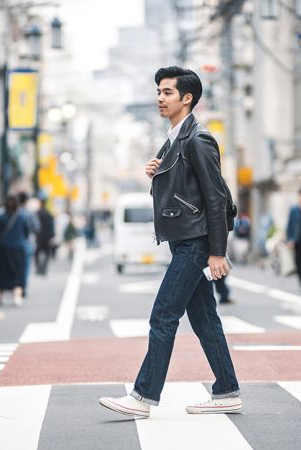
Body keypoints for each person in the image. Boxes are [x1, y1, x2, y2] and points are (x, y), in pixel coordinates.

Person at [99, 66, 241, 418]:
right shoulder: (177, 138)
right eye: (159, 92)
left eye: (167, 92)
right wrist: (157, 170)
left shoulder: (198, 139)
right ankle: (227, 390)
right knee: (206, 320)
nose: (160, 98)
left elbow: (215, 198)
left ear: (187, 98)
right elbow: (186, 188)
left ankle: (143, 397)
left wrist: (217, 252)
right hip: (185, 242)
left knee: (163, 316)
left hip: (194, 243)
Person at [0, 195, 30, 307]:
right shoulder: (21, 217)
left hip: (3, 249)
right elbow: (26, 233)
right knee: (18, 273)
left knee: (2, 274)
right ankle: (17, 296)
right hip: (18, 249)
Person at [17, 192, 39, 296]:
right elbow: (37, 228)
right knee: (25, 266)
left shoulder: (13, 213)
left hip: (13, 243)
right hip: (27, 243)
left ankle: (15, 286)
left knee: (15, 265)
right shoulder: (29, 214)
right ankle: (23, 286)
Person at [35, 199, 55, 276]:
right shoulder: (48, 214)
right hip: (47, 236)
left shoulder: (37, 213)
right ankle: (44, 269)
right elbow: (51, 226)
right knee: (47, 252)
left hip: (39, 236)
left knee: (37, 252)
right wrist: (52, 235)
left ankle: (39, 268)